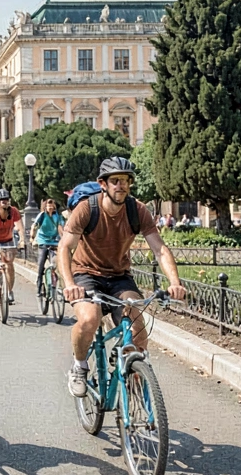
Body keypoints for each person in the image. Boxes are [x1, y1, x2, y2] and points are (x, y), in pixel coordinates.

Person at [59, 157, 187, 398]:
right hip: (86, 274)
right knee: (89, 319)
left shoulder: (137, 210)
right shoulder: (87, 208)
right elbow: (65, 247)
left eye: (126, 181)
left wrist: (175, 283)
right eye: (115, 181)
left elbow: (159, 248)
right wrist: (69, 285)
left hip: (119, 276)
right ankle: (79, 366)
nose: (121, 186)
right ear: (103, 184)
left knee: (137, 325)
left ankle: (133, 374)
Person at [32, 197, 64, 296]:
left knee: (56, 263)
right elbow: (34, 226)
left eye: (52, 205)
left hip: (54, 242)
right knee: (41, 264)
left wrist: (63, 239)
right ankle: (39, 284)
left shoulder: (58, 217)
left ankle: (58, 286)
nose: (50, 207)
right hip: (43, 241)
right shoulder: (42, 215)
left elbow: (60, 229)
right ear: (45, 207)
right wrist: (32, 237)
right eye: (48, 205)